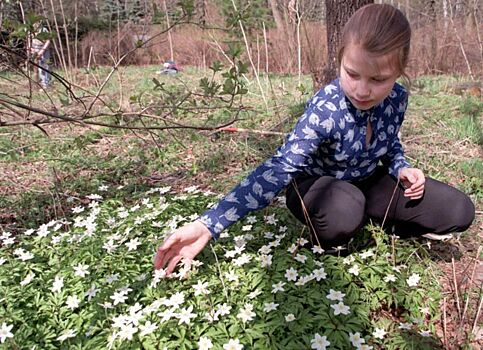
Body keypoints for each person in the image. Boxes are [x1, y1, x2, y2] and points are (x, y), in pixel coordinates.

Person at [154, 4, 475, 274]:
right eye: (352, 74)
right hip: (317, 187)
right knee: (344, 209)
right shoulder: (326, 109)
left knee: (458, 211)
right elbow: (280, 169)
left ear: (399, 71)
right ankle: (336, 231)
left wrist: (401, 167)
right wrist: (209, 224)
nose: (362, 90)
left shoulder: (397, 99)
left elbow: (390, 144)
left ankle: (375, 221)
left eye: (378, 79)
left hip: (366, 180)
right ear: (340, 61)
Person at [28, 23, 51, 88]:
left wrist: (42, 50)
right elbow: (29, 41)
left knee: (46, 66)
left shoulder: (44, 30)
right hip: (34, 49)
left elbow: (48, 41)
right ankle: (37, 83)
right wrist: (30, 49)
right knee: (36, 68)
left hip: (44, 50)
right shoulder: (30, 30)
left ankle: (46, 84)